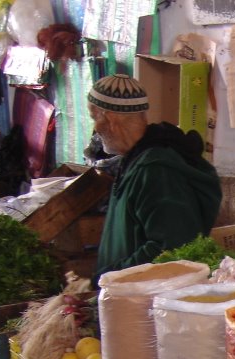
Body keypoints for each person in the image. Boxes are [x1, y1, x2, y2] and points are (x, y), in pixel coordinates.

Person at [87, 73, 222, 279]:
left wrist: (109, 278)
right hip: (126, 293)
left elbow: (169, 248)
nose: (95, 129)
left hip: (146, 299)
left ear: (110, 118)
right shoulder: (134, 159)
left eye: (94, 117)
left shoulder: (157, 171)